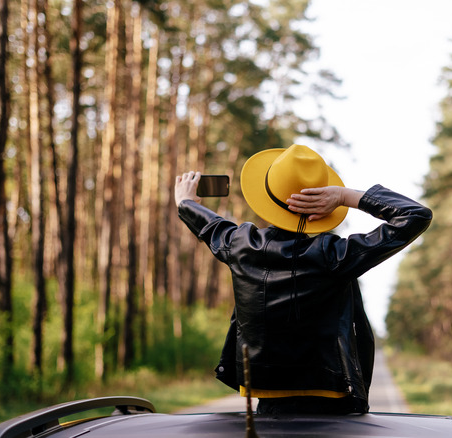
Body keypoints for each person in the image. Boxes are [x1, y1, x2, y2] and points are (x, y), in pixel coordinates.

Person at [175, 144, 432, 415]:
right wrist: (345, 196)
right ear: (321, 208)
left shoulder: (240, 245)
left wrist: (186, 202)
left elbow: (212, 225)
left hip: (268, 396)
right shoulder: (335, 255)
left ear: (266, 200)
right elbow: (415, 216)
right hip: (330, 396)